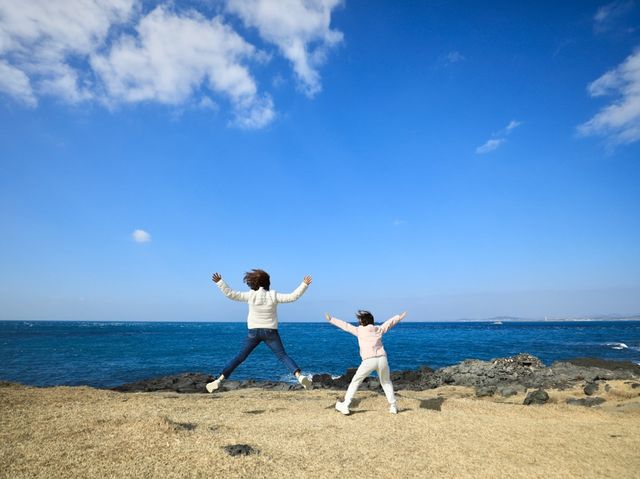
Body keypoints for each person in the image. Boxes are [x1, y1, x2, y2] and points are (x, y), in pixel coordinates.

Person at [206, 269, 313, 392]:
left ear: (253, 283)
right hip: (270, 332)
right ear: (267, 282)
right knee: (283, 356)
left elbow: (231, 294)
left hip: (254, 332)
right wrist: (304, 284)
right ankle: (299, 377)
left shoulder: (250, 295)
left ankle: (219, 380)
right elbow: (293, 296)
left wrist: (220, 282)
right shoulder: (273, 295)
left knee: (240, 357)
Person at [325, 309, 407, 414]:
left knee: (355, 382)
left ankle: (345, 405)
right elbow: (389, 323)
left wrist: (331, 319)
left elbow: (345, 326)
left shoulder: (359, 330)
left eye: (360, 320)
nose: (359, 322)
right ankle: (393, 406)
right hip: (382, 359)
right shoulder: (378, 329)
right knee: (386, 382)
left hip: (369, 360)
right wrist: (399, 317)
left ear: (363, 322)